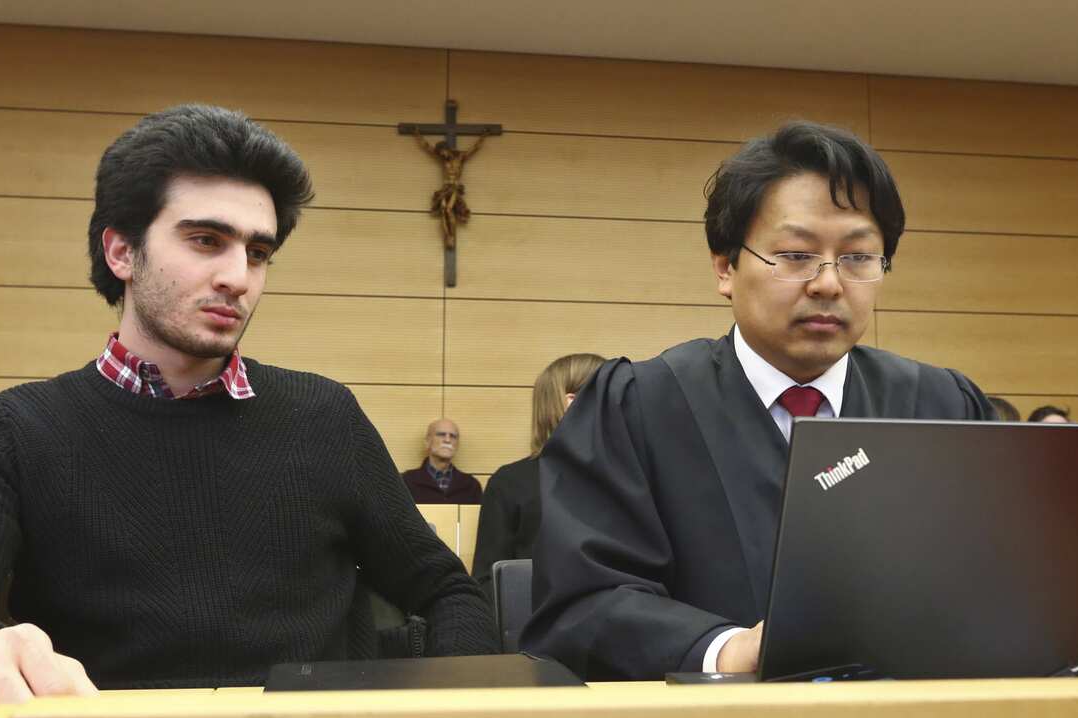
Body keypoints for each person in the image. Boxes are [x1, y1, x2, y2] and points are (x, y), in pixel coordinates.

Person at [0, 104, 496, 704]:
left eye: (259, 251)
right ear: (122, 250)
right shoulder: (21, 428)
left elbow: (446, 591)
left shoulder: (322, 415)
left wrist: (444, 713)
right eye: (206, 240)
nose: (239, 276)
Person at [521, 121, 996, 681]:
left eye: (858, 257)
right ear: (726, 267)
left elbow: (1003, 584)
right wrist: (728, 651)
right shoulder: (637, 408)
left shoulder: (940, 405)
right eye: (796, 255)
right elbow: (581, 607)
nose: (828, 283)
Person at [471, 354, 606, 598]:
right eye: (607, 392)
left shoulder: (635, 479)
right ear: (571, 403)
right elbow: (488, 582)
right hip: (537, 628)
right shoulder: (511, 483)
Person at [401, 419, 483, 504]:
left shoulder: (471, 486)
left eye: (453, 436)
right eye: (441, 435)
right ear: (427, 441)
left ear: (457, 444)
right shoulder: (406, 482)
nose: (447, 440)